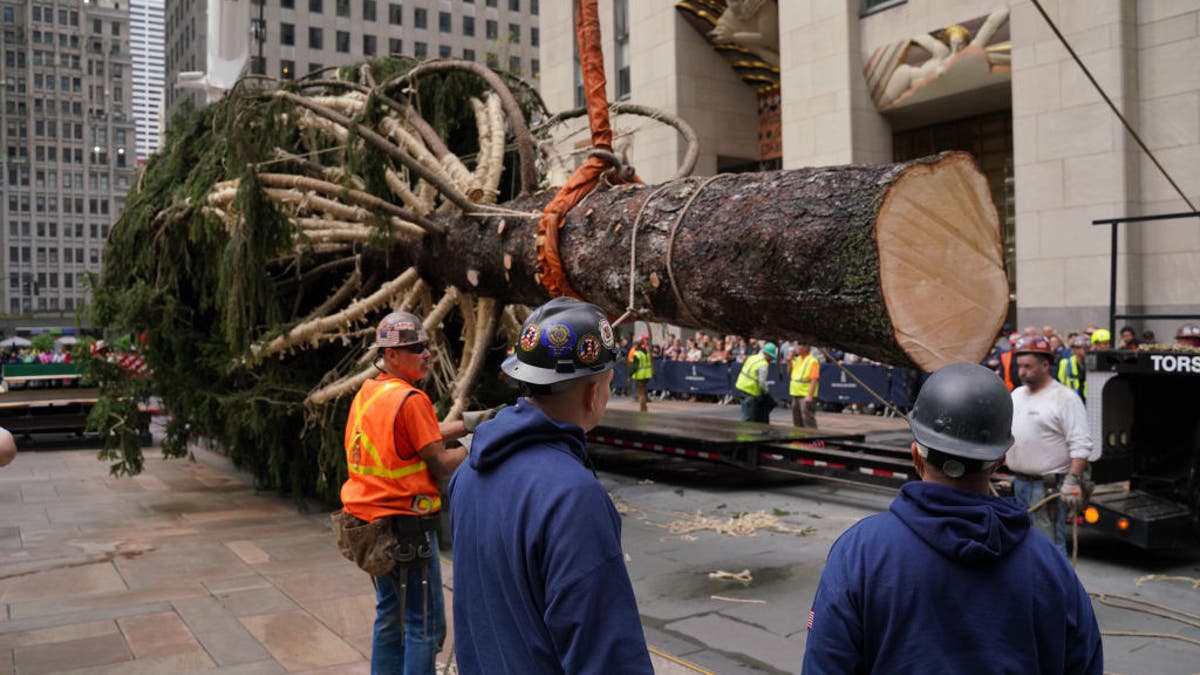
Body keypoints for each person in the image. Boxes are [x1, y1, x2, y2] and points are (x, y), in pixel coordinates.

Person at [802, 362, 1103, 674]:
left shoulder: (860, 552)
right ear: (999, 463)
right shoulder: (1049, 565)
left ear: (916, 456)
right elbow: (1084, 662)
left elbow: (825, 663)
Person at [449, 298, 653, 675]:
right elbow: (606, 655)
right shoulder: (573, 498)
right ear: (593, 392)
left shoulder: (468, 473)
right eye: (609, 383)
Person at [339, 311, 484, 675]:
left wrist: (470, 421)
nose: (427, 353)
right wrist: (476, 442)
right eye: (417, 347)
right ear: (391, 356)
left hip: (369, 527)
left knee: (390, 617)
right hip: (406, 531)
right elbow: (440, 463)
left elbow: (420, 433)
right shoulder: (410, 398)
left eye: (426, 346)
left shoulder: (370, 393)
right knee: (425, 626)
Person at [1006, 335, 1094, 556]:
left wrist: (1072, 480)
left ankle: (1059, 590)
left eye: (1028, 366)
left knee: (1049, 549)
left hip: (1047, 489)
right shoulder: (1016, 395)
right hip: (1019, 484)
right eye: (1019, 366)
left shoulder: (1064, 399)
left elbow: (1081, 444)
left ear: (1046, 365)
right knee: (1023, 546)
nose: (1022, 372)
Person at [735, 341, 777, 422]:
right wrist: (766, 393)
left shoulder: (753, 357)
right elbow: (762, 383)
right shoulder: (763, 364)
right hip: (749, 391)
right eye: (771, 357)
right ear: (767, 354)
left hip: (740, 387)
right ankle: (745, 434)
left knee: (745, 412)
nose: (771, 359)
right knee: (748, 417)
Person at [789, 344, 820, 429]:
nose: (797, 347)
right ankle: (798, 440)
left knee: (807, 420)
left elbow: (814, 379)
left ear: (805, 348)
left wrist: (810, 396)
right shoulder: (797, 359)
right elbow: (789, 373)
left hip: (805, 395)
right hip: (795, 393)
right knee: (796, 420)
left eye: (799, 345)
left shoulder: (813, 361)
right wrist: (789, 361)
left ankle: (812, 440)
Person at [1057, 333, 1089, 401]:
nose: (1083, 350)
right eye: (1079, 348)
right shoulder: (1065, 363)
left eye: (1087, 348)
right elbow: (1062, 382)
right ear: (1074, 349)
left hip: (1089, 400)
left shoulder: (1093, 363)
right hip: (1071, 399)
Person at [629, 335, 653, 412]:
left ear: (637, 346)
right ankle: (644, 407)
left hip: (640, 375)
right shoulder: (646, 353)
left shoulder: (637, 354)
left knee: (640, 393)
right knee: (643, 391)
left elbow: (635, 367)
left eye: (635, 346)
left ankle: (643, 409)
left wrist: (630, 375)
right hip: (647, 375)